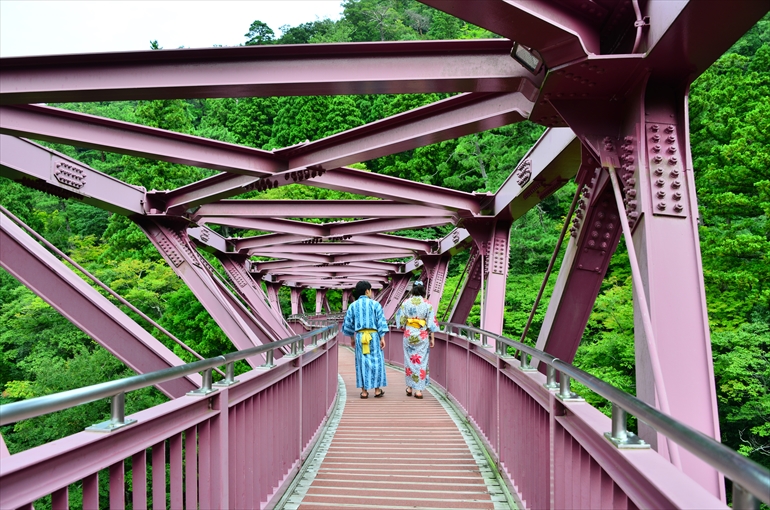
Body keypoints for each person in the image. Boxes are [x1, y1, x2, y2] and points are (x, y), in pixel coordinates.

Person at [342, 280, 389, 399]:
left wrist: (352, 338)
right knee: (377, 361)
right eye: (370, 290)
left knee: (361, 362)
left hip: (360, 337)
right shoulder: (375, 305)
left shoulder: (352, 306)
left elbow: (348, 324)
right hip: (373, 336)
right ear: (367, 291)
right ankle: (377, 390)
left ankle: (364, 391)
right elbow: (381, 322)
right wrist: (382, 338)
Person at [395, 280, 439, 399]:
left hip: (409, 334)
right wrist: (432, 338)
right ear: (423, 290)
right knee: (421, 361)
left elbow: (400, 321)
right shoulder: (428, 304)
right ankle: (418, 390)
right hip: (422, 335)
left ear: (412, 289)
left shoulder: (406, 302)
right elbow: (431, 324)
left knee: (409, 360)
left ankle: (409, 387)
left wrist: (405, 328)